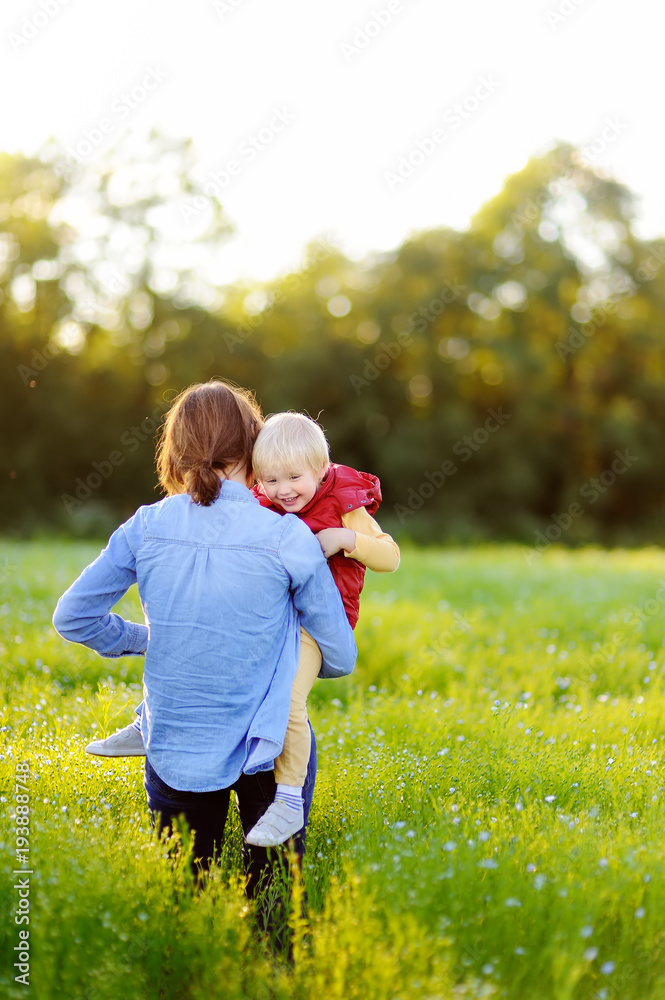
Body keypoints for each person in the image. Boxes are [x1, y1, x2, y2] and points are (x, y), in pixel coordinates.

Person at [52, 381, 356, 882]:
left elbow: (73, 617)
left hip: (174, 743)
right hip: (268, 744)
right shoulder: (287, 536)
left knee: (187, 901)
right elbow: (340, 656)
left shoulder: (145, 525)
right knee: (275, 902)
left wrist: (145, 639)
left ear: (175, 451)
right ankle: (272, 958)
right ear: (254, 444)